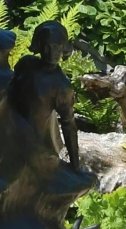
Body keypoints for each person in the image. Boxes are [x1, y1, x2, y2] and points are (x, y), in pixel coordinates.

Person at [10, 19, 81, 170]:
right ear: (39, 46)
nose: (52, 53)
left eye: (57, 47)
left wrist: (75, 164)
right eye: (47, 47)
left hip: (32, 146)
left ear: (64, 48)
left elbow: (69, 125)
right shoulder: (26, 64)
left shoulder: (62, 87)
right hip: (7, 130)